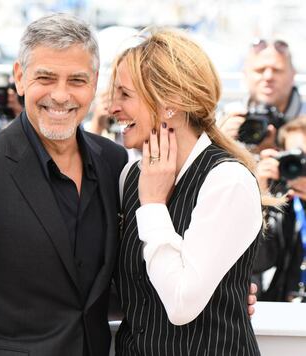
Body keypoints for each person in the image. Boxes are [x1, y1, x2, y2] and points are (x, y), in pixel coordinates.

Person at [0, 13, 127, 356]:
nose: (61, 95)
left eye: (76, 80)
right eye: (46, 77)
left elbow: (108, 284)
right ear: (19, 77)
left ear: (94, 83)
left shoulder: (113, 162)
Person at [109, 29, 268, 355]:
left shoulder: (228, 180)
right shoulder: (130, 176)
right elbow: (130, 292)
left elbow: (181, 305)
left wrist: (152, 204)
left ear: (169, 103)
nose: (113, 107)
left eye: (125, 95)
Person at [219, 38, 306, 153]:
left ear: (293, 75)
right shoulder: (227, 116)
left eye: (277, 70)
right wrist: (221, 143)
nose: (268, 77)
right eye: (260, 70)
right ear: (245, 75)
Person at [253, 115, 306, 302]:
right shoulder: (282, 202)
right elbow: (258, 262)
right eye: (295, 156)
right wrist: (260, 196)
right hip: (283, 312)